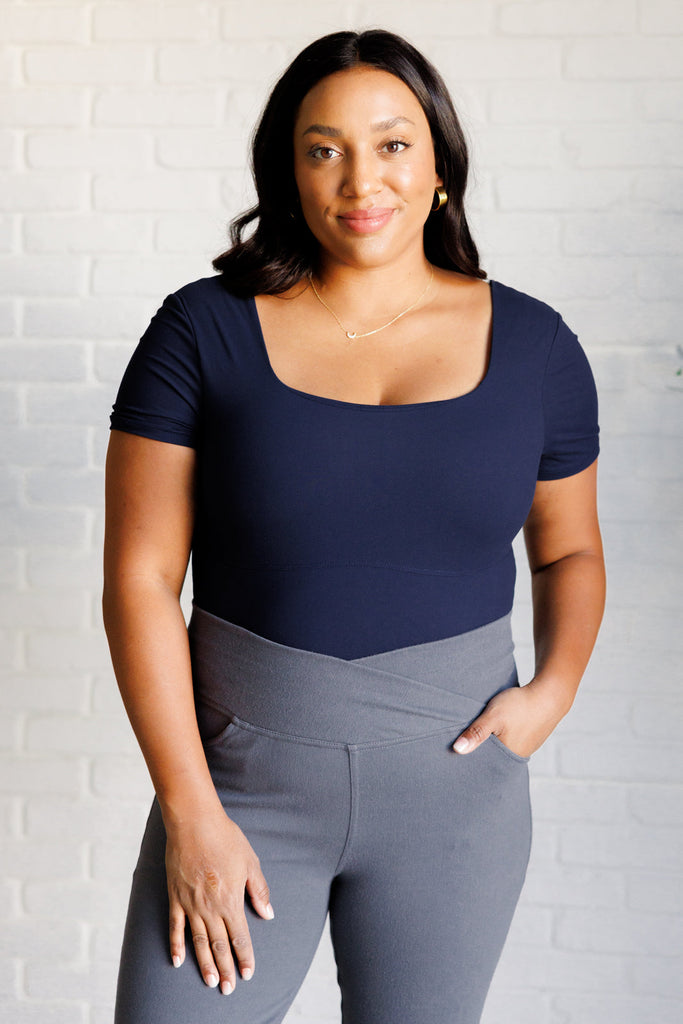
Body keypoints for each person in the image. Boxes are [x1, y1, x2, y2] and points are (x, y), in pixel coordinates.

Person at [103, 28, 605, 1024]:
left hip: (454, 801)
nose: (359, 179)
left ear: (439, 165)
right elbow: (139, 581)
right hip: (237, 790)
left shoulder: (536, 346)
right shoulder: (200, 331)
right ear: (287, 173)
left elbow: (569, 550)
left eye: (392, 144)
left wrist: (552, 692)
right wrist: (191, 813)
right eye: (322, 149)